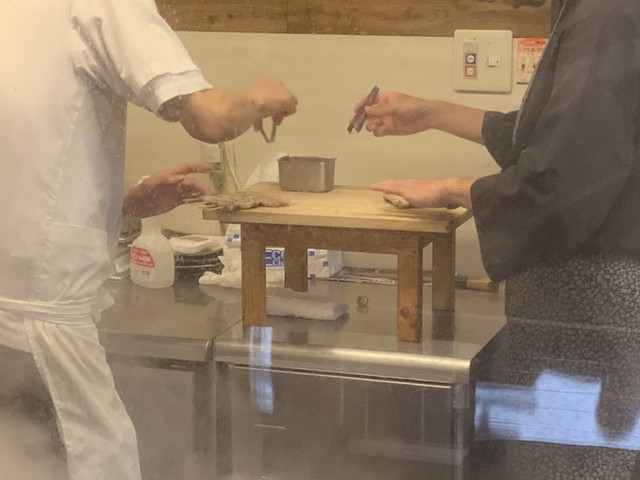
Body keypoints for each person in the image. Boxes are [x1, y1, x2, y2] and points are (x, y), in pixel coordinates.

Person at [0, 1, 297, 479]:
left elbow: (28, 171)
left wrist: (119, 206)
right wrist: (262, 97)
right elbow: (210, 118)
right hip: (41, 342)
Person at [360, 0, 640, 478]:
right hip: (584, 301)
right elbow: (549, 137)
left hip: (594, 301)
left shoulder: (605, 15)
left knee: (575, 465)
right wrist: (431, 112)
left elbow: (563, 180)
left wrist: (452, 189)